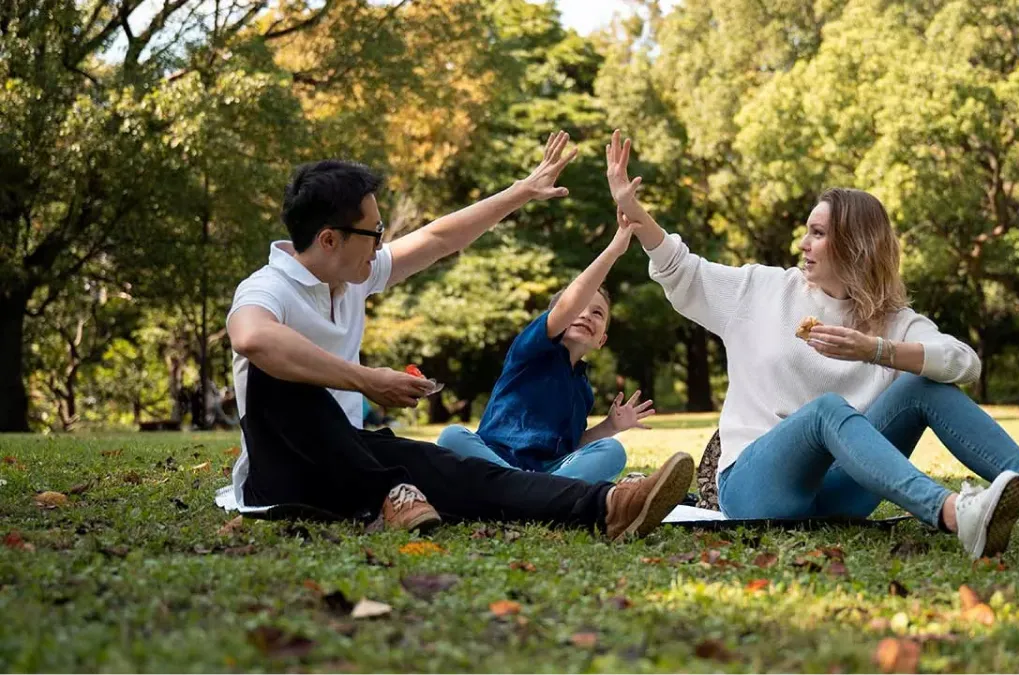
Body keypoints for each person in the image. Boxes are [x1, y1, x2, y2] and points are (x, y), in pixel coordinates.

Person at [603, 129, 1019, 558]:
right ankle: (957, 515)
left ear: (856, 245)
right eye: (808, 230)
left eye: (818, 233)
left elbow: (964, 363)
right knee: (825, 412)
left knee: (925, 385)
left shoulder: (894, 321)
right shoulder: (763, 289)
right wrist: (636, 211)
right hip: (756, 486)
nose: (804, 242)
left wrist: (877, 351)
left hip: (840, 498)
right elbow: (682, 270)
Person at [214, 131, 694, 539]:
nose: (381, 245)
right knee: (275, 370)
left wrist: (521, 192)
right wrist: (364, 380)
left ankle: (610, 506)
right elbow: (252, 339)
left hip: (356, 456)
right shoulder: (268, 287)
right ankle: (387, 489)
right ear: (329, 240)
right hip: (285, 474)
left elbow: (438, 239)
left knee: (465, 472)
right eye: (374, 233)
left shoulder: (352, 277)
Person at [437, 216, 653, 483]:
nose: (586, 315)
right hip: (495, 462)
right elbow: (567, 306)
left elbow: (570, 449)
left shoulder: (583, 391)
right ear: (557, 316)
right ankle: (535, 493)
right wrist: (613, 251)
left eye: (597, 313)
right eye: (578, 307)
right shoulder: (531, 350)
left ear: (601, 340)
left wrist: (610, 427)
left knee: (612, 451)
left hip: (546, 473)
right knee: (452, 436)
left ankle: (530, 493)